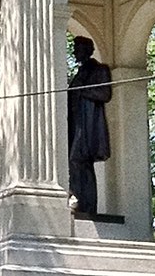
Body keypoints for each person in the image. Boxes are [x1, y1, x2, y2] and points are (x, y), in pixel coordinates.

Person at [67, 35, 112, 215]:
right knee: (76, 163)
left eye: (78, 48)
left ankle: (86, 206)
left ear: (87, 50)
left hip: (89, 126)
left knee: (79, 161)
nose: (75, 52)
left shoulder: (99, 70)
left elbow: (105, 94)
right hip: (76, 124)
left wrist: (82, 91)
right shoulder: (80, 73)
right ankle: (81, 204)